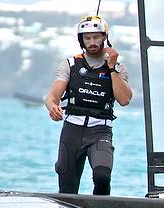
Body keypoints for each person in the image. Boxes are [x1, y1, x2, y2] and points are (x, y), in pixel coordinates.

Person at [44, 15, 132, 195]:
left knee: (102, 175)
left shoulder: (119, 67)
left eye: (96, 37)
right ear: (81, 40)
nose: (92, 42)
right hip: (72, 130)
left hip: (100, 130)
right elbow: (52, 96)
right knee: (66, 182)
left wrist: (112, 68)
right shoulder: (70, 64)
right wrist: (52, 106)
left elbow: (124, 100)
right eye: (87, 38)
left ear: (105, 38)